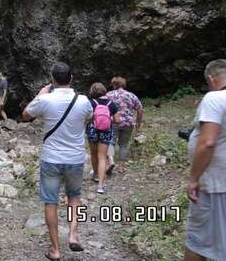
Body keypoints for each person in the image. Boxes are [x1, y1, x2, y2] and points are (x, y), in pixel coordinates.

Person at [22, 62, 93, 261]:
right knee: (74, 197)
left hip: (51, 159)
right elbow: (91, 117)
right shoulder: (83, 100)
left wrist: (40, 93)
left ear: (52, 80)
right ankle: (73, 234)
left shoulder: (45, 99)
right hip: (75, 158)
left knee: (50, 202)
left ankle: (55, 249)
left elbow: (26, 115)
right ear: (71, 79)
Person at [185, 59, 226, 261]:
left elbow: (208, 142)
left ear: (211, 79)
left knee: (197, 242)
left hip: (214, 184)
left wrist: (193, 179)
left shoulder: (215, 98)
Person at [87, 83, 120, 194]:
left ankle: (95, 175)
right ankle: (101, 186)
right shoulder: (112, 104)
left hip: (92, 130)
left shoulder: (91, 103)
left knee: (93, 153)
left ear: (92, 92)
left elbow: (86, 117)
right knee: (102, 157)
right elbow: (117, 120)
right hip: (106, 131)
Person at [106, 76, 143, 173]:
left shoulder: (108, 95)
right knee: (124, 145)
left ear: (114, 84)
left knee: (110, 142)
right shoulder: (131, 95)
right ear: (123, 84)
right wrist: (138, 123)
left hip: (113, 122)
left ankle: (111, 162)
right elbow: (140, 109)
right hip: (128, 123)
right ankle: (121, 167)